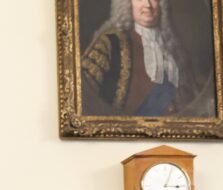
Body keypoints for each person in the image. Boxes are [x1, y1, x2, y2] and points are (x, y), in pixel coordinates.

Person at [81, 0, 213, 117]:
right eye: (139, 0)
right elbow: (85, 94)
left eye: (154, 0)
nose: (148, 5)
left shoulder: (173, 46)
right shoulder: (109, 42)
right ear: (127, 4)